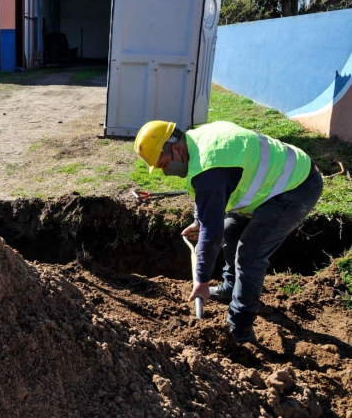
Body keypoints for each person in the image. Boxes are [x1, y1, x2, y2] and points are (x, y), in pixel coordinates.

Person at [133, 120, 323, 344]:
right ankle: (230, 287)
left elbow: (211, 235)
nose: (165, 173)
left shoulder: (209, 167)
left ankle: (240, 328)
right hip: (271, 184)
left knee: (250, 254)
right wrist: (199, 221)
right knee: (230, 231)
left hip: (295, 187)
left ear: (176, 150)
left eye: (163, 164)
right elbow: (207, 196)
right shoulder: (197, 142)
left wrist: (201, 282)